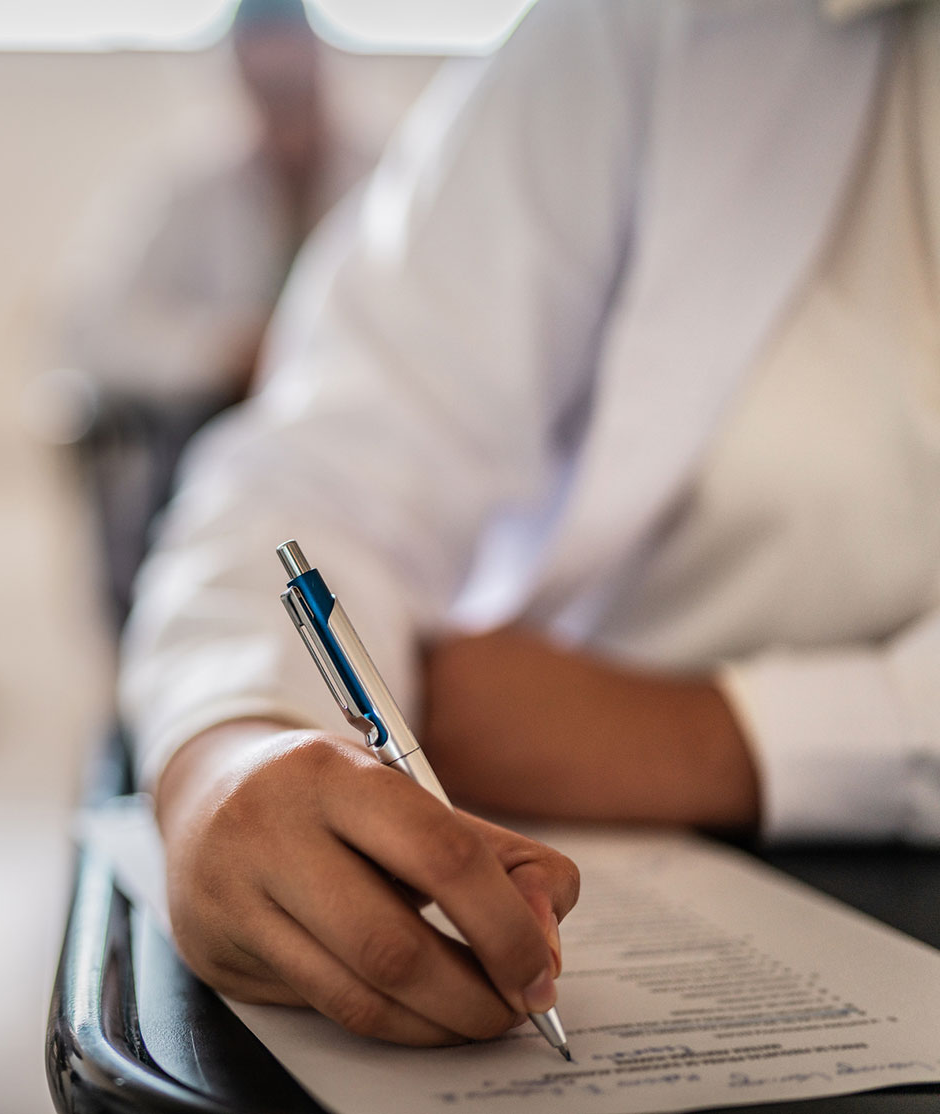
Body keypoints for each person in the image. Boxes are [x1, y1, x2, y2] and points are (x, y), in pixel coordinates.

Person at [120, 0, 940, 1049]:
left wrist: (710, 738)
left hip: (575, 757)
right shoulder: (634, 32)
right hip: (606, 840)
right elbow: (329, 455)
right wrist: (231, 741)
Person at [63, 0, 373, 623]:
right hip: (220, 420)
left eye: (294, 89)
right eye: (267, 91)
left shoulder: (389, 175)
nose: (284, 112)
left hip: (359, 417)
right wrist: (225, 349)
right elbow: (91, 330)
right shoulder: (184, 187)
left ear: (321, 67)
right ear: (237, 79)